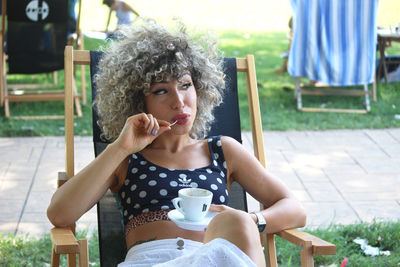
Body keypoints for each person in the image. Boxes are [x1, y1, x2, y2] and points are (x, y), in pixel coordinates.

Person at [47, 20, 306, 267]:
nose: (179, 102)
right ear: (139, 102)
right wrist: (120, 148)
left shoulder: (222, 150)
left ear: (200, 89)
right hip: (150, 260)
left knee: (237, 222)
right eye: (161, 90)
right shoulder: (127, 158)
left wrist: (252, 221)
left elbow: (294, 208)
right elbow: (60, 214)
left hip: (212, 258)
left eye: (185, 85)